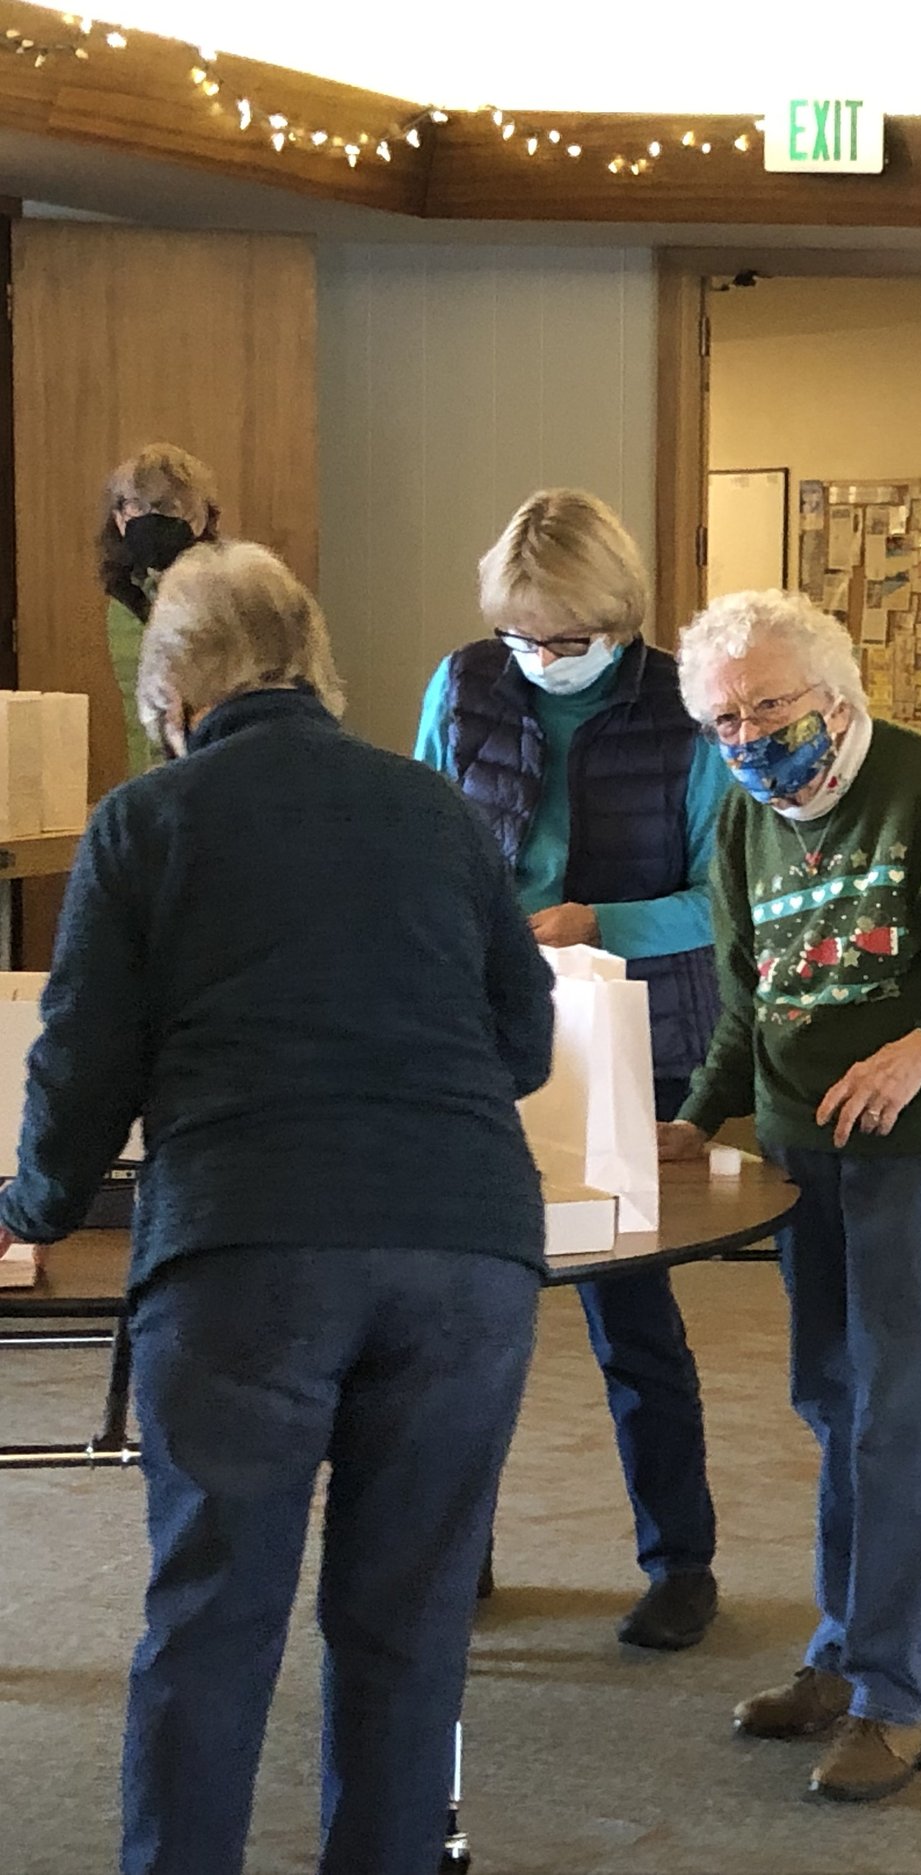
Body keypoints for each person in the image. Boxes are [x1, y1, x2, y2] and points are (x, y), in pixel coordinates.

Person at [0, 543, 554, 1875]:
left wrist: (33, 1204)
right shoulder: (435, 809)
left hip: (248, 1250)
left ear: (176, 687)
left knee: (215, 1613)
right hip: (467, 1250)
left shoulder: (149, 820)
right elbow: (525, 1041)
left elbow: (85, 1055)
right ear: (311, 661)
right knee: (408, 1623)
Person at [660, 589, 921, 1801]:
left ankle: (898, 1697)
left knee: (899, 1414)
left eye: (768, 708)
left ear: (835, 697)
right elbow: (752, 996)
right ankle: (837, 1659)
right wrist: (697, 1116)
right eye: (724, 719)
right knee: (832, 1402)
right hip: (805, 1151)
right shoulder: (744, 822)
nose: (747, 737)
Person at [414, 489, 731, 1649]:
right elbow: (420, 843)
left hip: (631, 1036)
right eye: (521, 636)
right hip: (477, 1035)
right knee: (456, 1321)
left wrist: (598, 922)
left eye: (565, 640)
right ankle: (460, 1555)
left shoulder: (686, 712)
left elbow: (719, 903)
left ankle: (680, 1562)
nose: (539, 659)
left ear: (619, 620)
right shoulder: (462, 686)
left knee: (630, 1317)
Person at [97, 444, 220, 784]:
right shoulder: (123, 599)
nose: (149, 516)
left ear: (199, 516)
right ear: (119, 517)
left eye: (166, 506)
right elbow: (143, 713)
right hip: (149, 780)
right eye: (136, 505)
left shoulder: (223, 590)